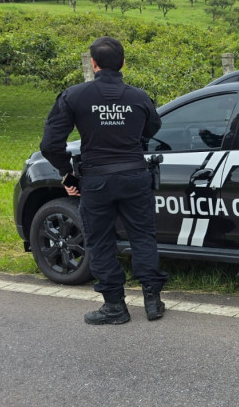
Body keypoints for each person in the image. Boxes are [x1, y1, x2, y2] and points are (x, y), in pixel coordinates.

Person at [40, 36, 167, 325]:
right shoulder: (139, 97)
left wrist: (68, 173)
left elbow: (50, 144)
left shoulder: (74, 96)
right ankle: (153, 302)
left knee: (100, 242)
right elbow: (153, 128)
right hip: (136, 176)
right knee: (143, 236)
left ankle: (114, 307)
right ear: (123, 63)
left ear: (93, 64)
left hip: (96, 181)